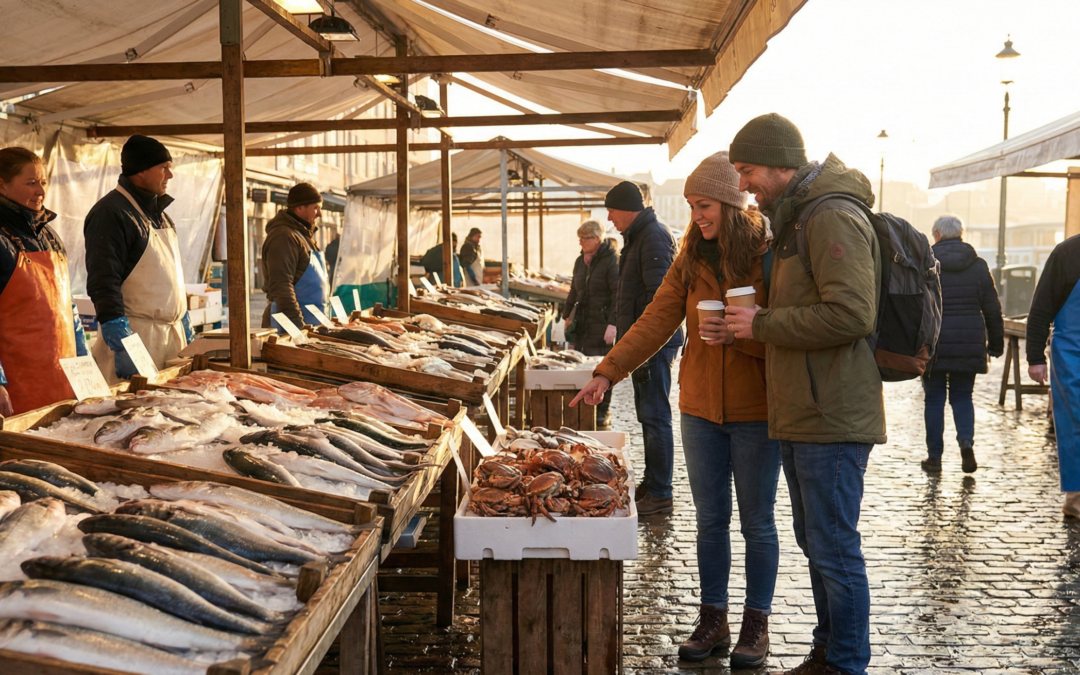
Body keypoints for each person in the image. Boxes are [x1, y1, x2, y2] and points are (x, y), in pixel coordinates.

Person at [573, 152, 780, 667]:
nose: (697, 216)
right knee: (710, 519)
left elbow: (786, 332)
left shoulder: (768, 255)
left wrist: (745, 334)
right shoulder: (689, 257)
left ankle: (757, 623)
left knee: (757, 522)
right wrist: (607, 371)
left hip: (758, 408)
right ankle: (713, 618)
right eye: (690, 206)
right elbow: (655, 319)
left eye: (704, 204)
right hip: (701, 407)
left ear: (732, 203)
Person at [724, 113, 883, 675]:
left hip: (832, 414)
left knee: (834, 546)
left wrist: (762, 325)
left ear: (781, 164)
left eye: (748, 171)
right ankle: (828, 650)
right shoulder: (796, 218)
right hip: (804, 411)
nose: (743, 184)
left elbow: (851, 314)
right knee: (818, 543)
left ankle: (846, 663)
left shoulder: (831, 215)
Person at [86, 135, 193, 384]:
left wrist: (185, 320)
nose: (170, 175)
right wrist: (121, 340)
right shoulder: (111, 213)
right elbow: (104, 280)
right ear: (141, 171)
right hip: (137, 338)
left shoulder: (162, 217)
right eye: (164, 168)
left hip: (172, 338)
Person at [605, 180, 682, 516]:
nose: (609, 218)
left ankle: (661, 491)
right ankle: (653, 484)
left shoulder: (652, 236)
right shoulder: (640, 236)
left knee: (655, 417)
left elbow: (661, 298)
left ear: (626, 208)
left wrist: (642, 342)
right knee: (648, 416)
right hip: (642, 345)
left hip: (653, 346)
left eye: (611, 210)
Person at [0, 147, 88, 416]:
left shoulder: (49, 234)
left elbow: (66, 305)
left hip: (62, 380)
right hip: (17, 389)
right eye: (30, 183)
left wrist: (83, 357)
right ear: (1, 185)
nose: (41, 190)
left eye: (43, 182)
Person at [920, 215, 1003, 474]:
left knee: (934, 399)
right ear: (961, 234)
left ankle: (935, 458)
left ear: (936, 235)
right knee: (962, 396)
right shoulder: (978, 266)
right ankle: (966, 444)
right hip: (969, 343)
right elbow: (992, 308)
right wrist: (996, 344)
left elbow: (915, 306)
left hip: (934, 343)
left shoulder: (927, 264)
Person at [1026, 233, 1080, 517]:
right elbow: (1041, 308)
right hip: (1072, 354)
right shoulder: (1068, 253)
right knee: (1075, 421)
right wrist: (1035, 357)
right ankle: (1076, 498)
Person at [563, 220, 619, 426]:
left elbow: (617, 294)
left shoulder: (611, 260)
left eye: (585, 239)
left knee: (603, 369)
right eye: (580, 239)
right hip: (583, 323)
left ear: (597, 238)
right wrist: (567, 314)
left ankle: (602, 411)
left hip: (602, 323)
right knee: (581, 365)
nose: (581, 243)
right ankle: (585, 409)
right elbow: (573, 290)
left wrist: (613, 323)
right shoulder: (580, 261)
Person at [260, 183, 329, 332]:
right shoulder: (284, 237)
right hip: (288, 329)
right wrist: (298, 327)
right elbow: (281, 285)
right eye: (315, 208)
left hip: (311, 325)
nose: (319, 214)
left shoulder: (302, 236)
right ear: (299, 208)